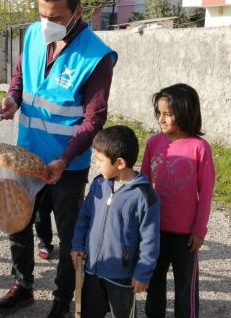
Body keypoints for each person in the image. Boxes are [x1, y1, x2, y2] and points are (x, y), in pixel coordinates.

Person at [0, 0, 118, 318]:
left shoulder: (97, 57)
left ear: (77, 11)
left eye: (56, 17)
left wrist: (63, 160)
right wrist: (12, 98)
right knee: (18, 222)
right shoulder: (34, 33)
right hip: (26, 155)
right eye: (42, 14)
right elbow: (20, 76)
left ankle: (62, 300)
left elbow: (94, 120)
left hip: (66, 166)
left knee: (68, 236)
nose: (47, 23)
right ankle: (22, 286)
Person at [141, 83, 215, 318]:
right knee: (154, 284)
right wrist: (140, 223)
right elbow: (142, 185)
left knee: (185, 288)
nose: (161, 119)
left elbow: (206, 193)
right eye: (158, 113)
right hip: (155, 229)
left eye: (167, 114)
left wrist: (199, 230)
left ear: (184, 112)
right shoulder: (154, 143)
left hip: (185, 235)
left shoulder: (199, 148)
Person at [71, 125, 160, 318]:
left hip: (122, 276)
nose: (96, 165)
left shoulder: (145, 197)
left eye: (100, 160)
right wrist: (77, 245)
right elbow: (84, 218)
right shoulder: (98, 184)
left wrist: (143, 273)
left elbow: (150, 240)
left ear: (119, 163)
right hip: (93, 269)